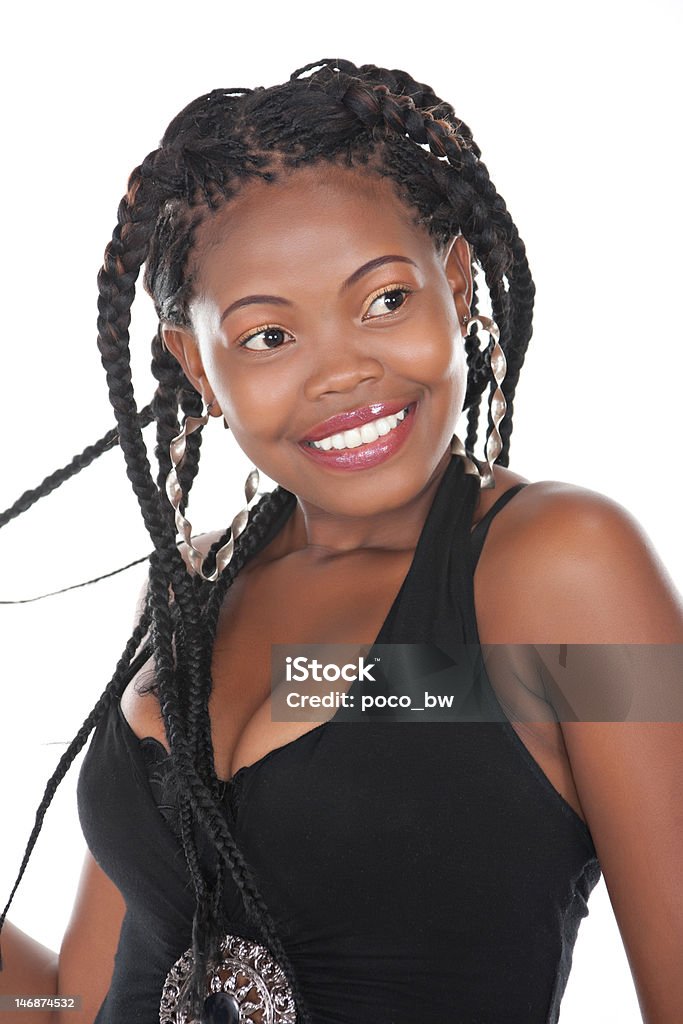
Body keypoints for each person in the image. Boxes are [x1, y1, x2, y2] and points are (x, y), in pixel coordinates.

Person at [1, 57, 681, 1024]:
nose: (342, 373)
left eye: (384, 300)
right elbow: (75, 1005)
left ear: (454, 281)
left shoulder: (566, 571)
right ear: (195, 362)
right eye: (269, 337)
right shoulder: (189, 590)